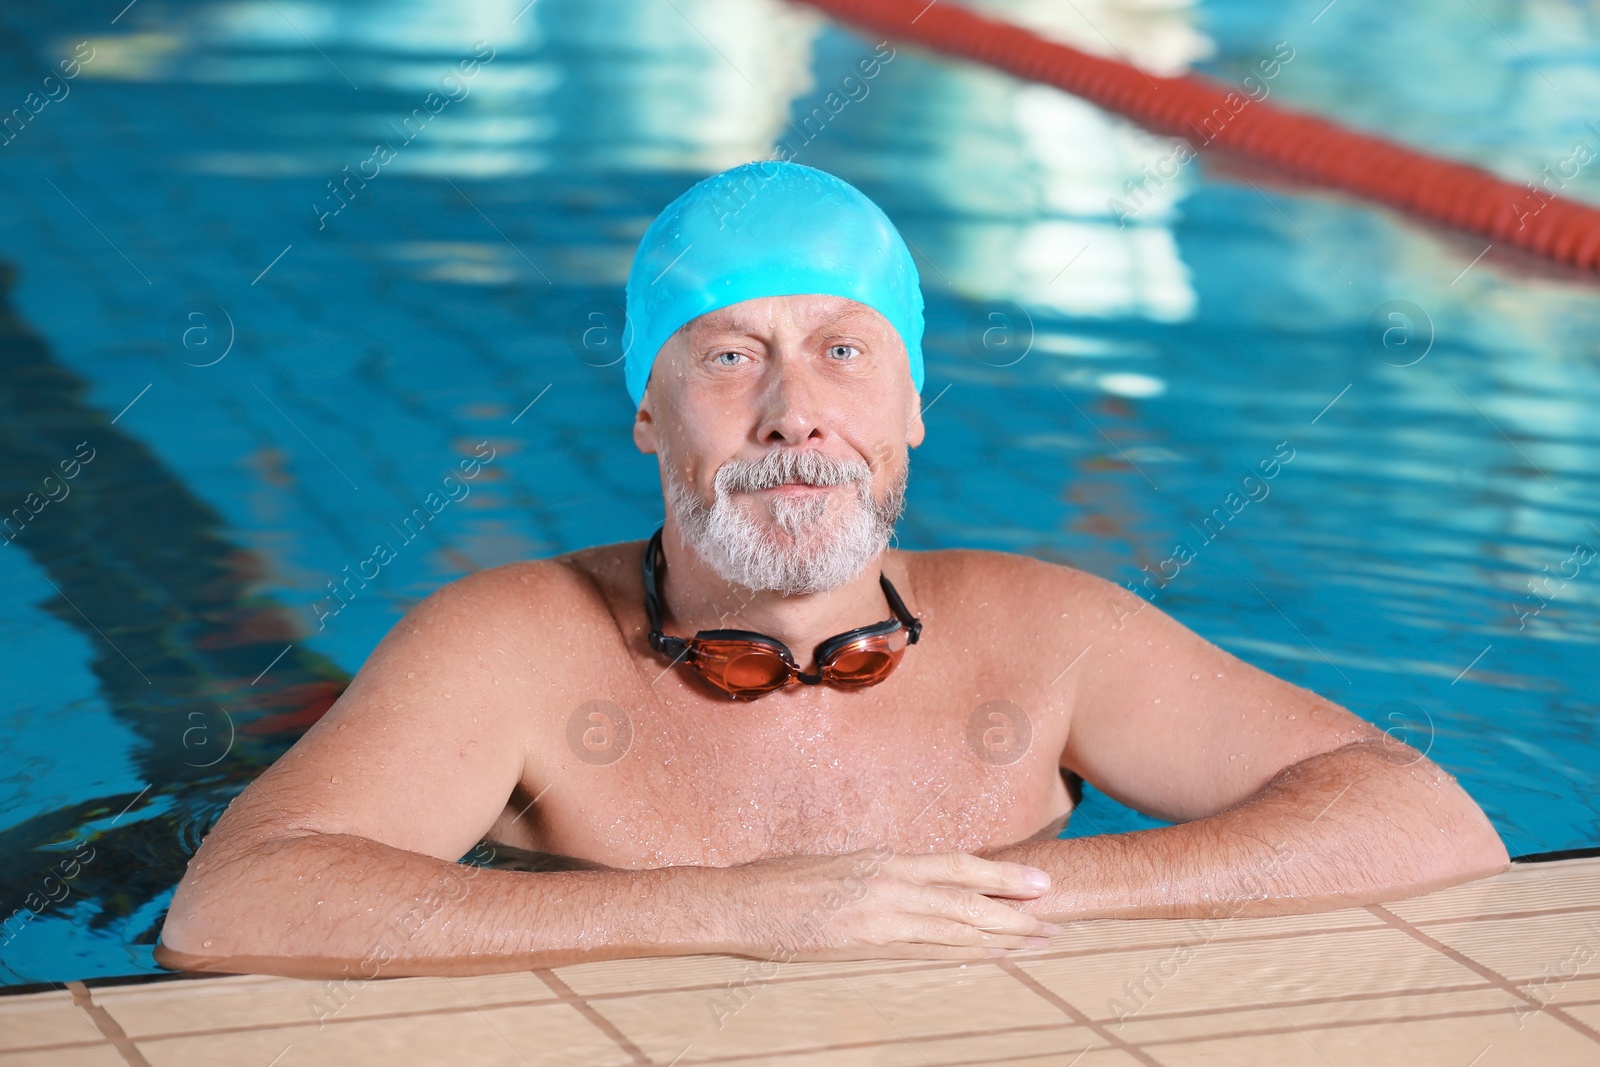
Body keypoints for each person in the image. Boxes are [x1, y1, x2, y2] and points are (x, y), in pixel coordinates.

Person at [155, 161, 1508, 980]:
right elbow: (237, 903)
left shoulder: (1048, 632)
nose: (794, 411)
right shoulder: (507, 645)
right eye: (727, 355)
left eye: (845, 351)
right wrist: (746, 913)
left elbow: (1424, 819)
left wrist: (975, 899)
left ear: (912, 406)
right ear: (646, 410)